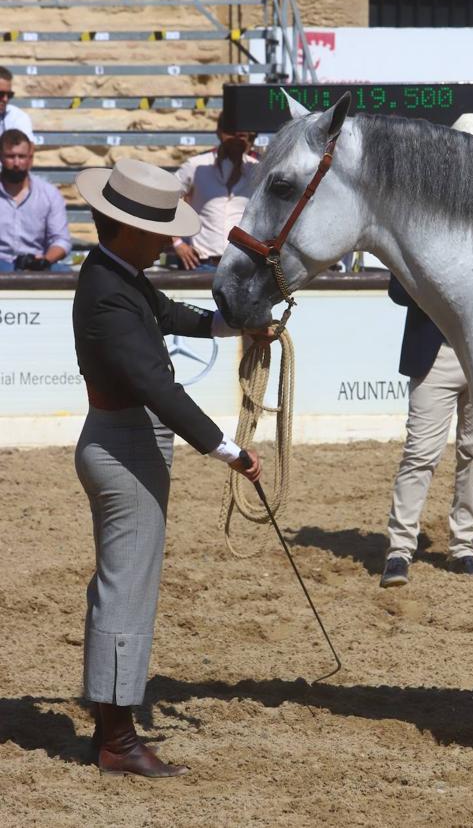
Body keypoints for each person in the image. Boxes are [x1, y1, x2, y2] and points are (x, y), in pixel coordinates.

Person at [73, 157, 272, 778]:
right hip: (125, 443)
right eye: (160, 227)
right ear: (131, 229)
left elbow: (167, 315)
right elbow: (158, 387)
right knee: (125, 590)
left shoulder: (114, 272)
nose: (168, 237)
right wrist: (228, 450)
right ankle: (116, 740)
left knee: (124, 585)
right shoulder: (111, 290)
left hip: (124, 440)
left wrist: (230, 324)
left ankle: (114, 727)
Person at [380, 114, 473, 589]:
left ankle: (463, 546)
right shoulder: (422, 215)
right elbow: (399, 288)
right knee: (422, 452)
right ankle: (400, 547)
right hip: (442, 350)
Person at [171, 113, 258, 270]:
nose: (237, 139)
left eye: (242, 135)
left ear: (249, 138)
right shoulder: (196, 166)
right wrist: (177, 242)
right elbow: (164, 198)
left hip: (241, 267)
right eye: (231, 133)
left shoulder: (257, 169)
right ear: (219, 132)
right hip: (201, 264)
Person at [0, 128, 72, 272]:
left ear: (30, 158)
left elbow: (61, 240)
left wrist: (45, 261)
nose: (16, 163)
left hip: (36, 262)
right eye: (10, 156)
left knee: (65, 273)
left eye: (21, 156)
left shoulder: (49, 194)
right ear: (1, 157)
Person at [0, 66, 34, 140]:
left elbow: (27, 148)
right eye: (1, 94)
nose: (5, 99)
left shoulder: (17, 116)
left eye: (9, 95)